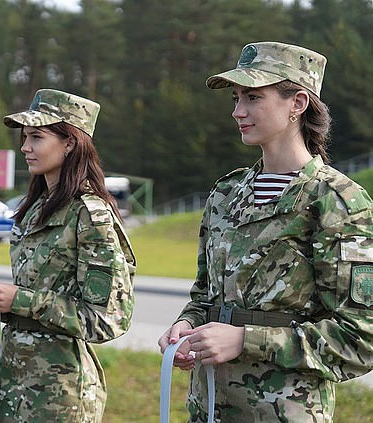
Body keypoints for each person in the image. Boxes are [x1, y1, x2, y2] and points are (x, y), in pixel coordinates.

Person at [158, 41, 373, 422]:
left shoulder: (335, 201)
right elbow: (204, 295)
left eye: (253, 97)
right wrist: (186, 324)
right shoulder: (225, 193)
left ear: (298, 103)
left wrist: (245, 340)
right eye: (237, 98)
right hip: (208, 407)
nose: (238, 111)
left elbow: (359, 339)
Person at [0, 89, 136, 422]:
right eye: (24, 137)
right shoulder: (35, 210)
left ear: (69, 143)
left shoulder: (90, 215)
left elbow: (107, 318)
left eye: (36, 136)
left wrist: (20, 301)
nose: (25, 147)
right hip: (17, 387)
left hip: (61, 397)